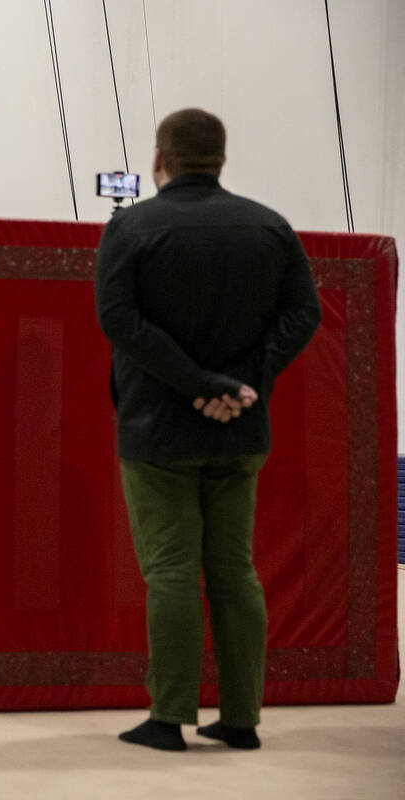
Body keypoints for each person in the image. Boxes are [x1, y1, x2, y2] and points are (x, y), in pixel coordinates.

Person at [94, 108, 321, 752]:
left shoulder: (132, 227)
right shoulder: (270, 227)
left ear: (160, 160)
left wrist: (199, 383)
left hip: (156, 430)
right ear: (221, 158)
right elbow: (303, 314)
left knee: (170, 571)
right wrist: (241, 384)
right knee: (235, 571)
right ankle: (243, 719)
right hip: (241, 428)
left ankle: (169, 718)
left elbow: (119, 321)